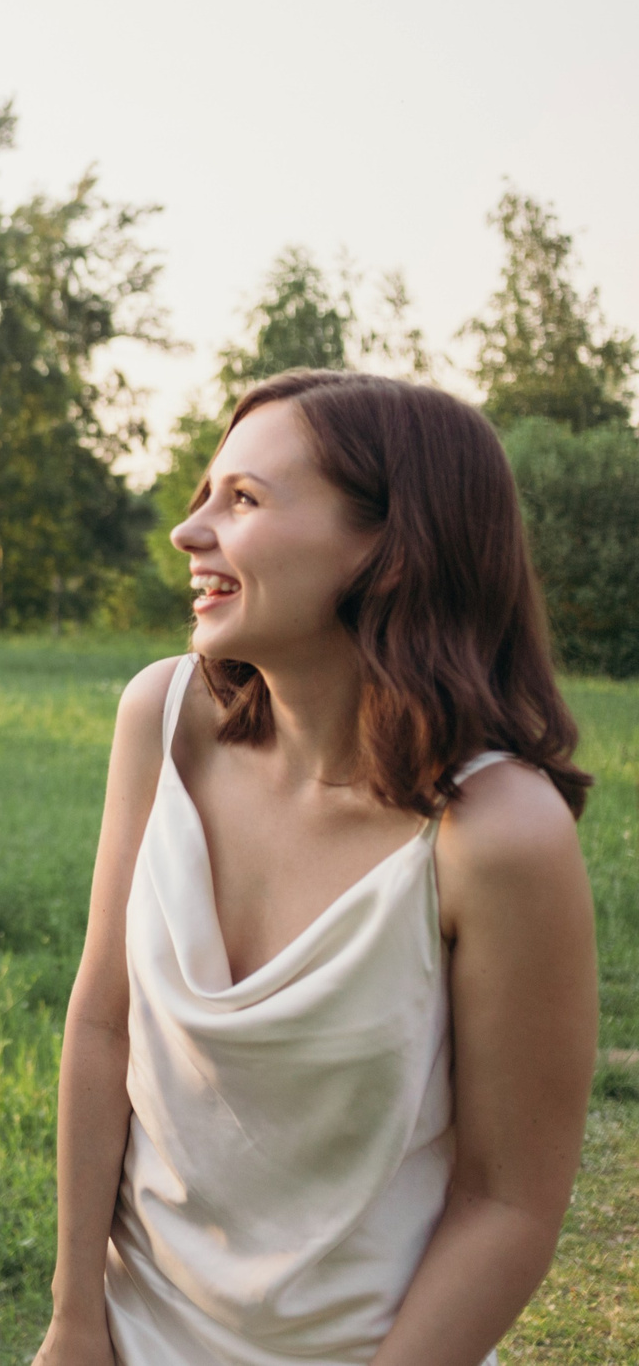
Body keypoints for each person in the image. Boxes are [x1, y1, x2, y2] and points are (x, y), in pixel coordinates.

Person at [35, 372, 598, 1366]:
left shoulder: (501, 836)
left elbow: (507, 1202)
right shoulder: (162, 721)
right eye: (207, 492)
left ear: (387, 545)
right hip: (124, 1338)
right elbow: (102, 1024)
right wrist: (75, 1320)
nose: (187, 531)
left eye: (241, 500)